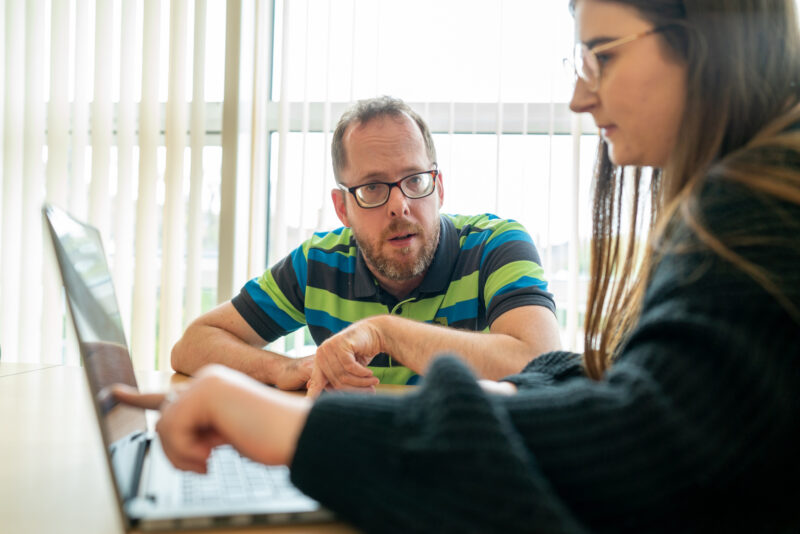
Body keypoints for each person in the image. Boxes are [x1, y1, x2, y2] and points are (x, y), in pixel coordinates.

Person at [115, 0, 800, 531]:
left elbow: (633, 447)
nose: (579, 97)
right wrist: (282, 377)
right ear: (342, 206)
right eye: (372, 190)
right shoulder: (754, 192)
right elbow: (628, 392)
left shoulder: (757, 210)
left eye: (603, 55)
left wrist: (292, 424)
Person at [172, 96, 561, 392]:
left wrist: (385, 332)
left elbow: (540, 363)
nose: (399, 205)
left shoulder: (497, 246)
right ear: (342, 208)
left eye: (415, 179)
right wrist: (283, 369)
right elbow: (192, 345)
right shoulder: (319, 263)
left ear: (439, 188)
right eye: (373, 187)